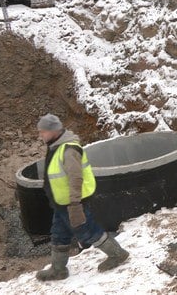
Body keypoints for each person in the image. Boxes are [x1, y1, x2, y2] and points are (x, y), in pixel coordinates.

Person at [35, 114, 129, 281]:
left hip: (73, 203)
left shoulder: (69, 150)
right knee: (58, 234)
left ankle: (117, 254)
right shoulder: (55, 147)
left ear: (53, 131)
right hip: (62, 203)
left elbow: (76, 178)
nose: (40, 135)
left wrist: (75, 204)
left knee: (87, 231)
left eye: (43, 131)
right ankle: (58, 270)